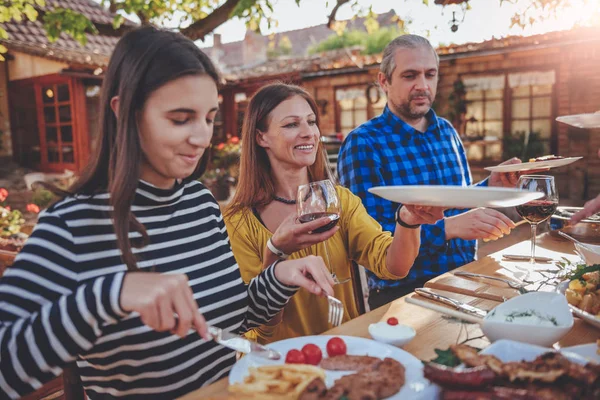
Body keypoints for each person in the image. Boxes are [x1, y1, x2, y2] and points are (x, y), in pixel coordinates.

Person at [0, 27, 336, 400]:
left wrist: (279, 276)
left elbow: (230, 322)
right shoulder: (71, 225)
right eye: (180, 119)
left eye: (209, 118)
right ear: (123, 111)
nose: (201, 137)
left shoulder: (200, 203)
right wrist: (108, 295)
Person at [223, 83, 444, 344]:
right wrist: (275, 254)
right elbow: (261, 325)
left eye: (311, 122)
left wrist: (407, 222)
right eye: (291, 125)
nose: (309, 133)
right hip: (283, 362)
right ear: (262, 137)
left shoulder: (341, 201)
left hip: (344, 346)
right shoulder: (238, 223)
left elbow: (394, 266)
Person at [338, 34, 521, 310]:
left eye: (430, 74)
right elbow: (369, 244)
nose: (422, 85)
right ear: (384, 81)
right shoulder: (363, 144)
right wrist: (449, 229)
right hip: (404, 295)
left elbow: (455, 201)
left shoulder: (446, 131)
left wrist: (490, 186)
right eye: (410, 75)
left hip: (467, 280)